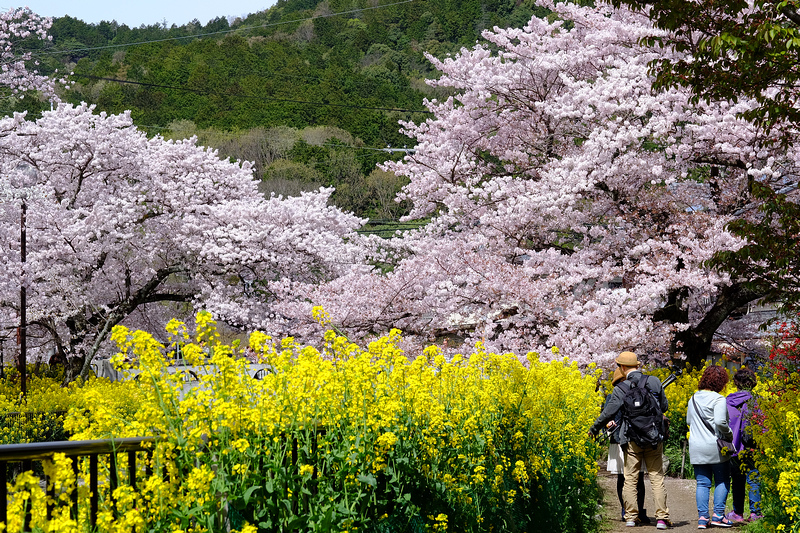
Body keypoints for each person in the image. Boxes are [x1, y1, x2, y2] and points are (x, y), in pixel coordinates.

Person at [590, 351, 670, 529]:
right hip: (654, 437)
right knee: (657, 477)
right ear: (637, 365)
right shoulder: (654, 381)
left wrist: (594, 428)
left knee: (630, 478)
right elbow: (664, 406)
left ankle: (631, 517)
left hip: (632, 438)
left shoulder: (621, 388)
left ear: (623, 367)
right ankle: (662, 519)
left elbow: (608, 412)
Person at [687, 365, 735, 529]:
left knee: (702, 483)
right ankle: (718, 515)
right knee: (722, 479)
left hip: (696, 446)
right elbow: (721, 422)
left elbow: (688, 421)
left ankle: (702, 518)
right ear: (721, 382)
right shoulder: (719, 399)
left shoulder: (693, 398)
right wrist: (729, 434)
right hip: (715, 446)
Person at [604, 367, 650, 524]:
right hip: (618, 440)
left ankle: (640, 510)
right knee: (622, 478)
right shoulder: (612, 396)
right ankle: (626, 509)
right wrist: (608, 423)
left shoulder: (641, 394)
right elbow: (606, 416)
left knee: (639, 478)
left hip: (636, 439)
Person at [725, 367, 762, 523]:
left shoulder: (728, 401)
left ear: (736, 383)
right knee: (753, 478)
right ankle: (755, 513)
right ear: (753, 382)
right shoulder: (757, 400)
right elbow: (763, 425)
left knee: (737, 479)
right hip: (752, 446)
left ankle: (738, 513)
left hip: (734, 447)